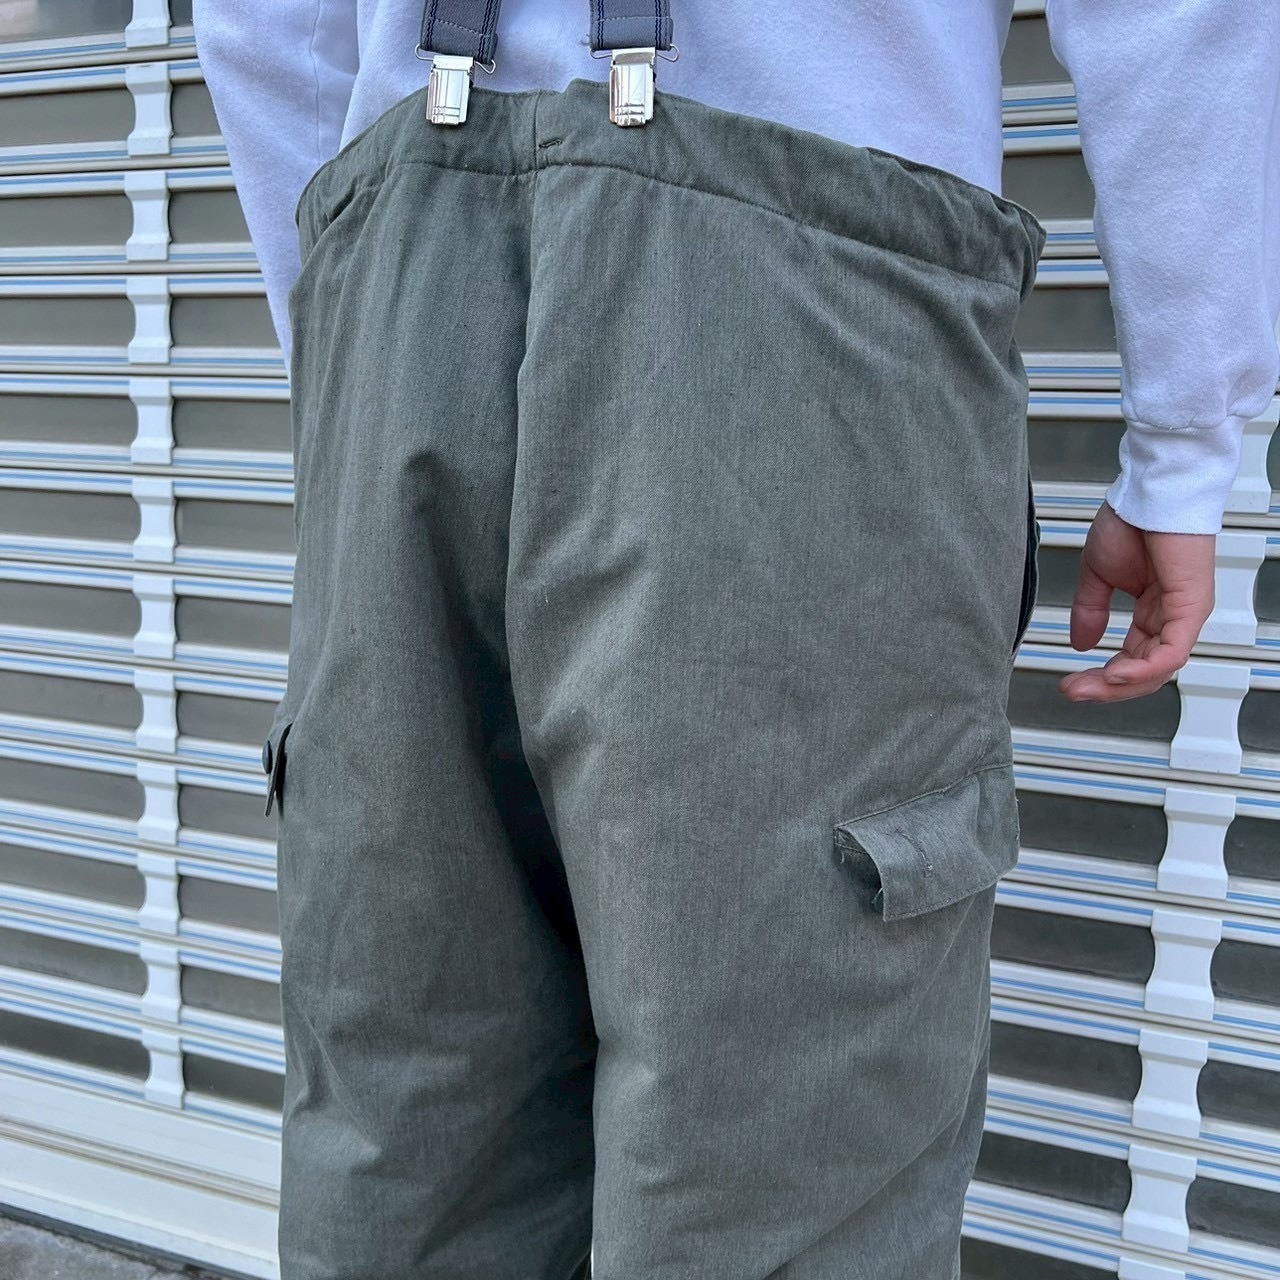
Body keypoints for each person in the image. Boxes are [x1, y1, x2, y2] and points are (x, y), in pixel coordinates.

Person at [192, 3, 1280, 1277]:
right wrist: (1181, 441)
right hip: (816, 293)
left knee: (413, 1104)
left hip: (399, 302)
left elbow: (264, 23)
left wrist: (348, 352)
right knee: (774, 1142)